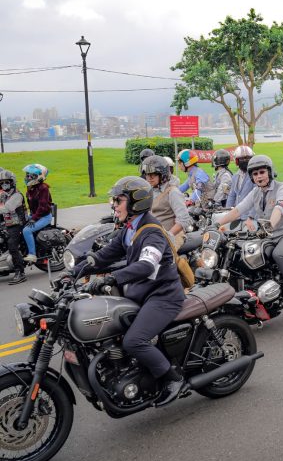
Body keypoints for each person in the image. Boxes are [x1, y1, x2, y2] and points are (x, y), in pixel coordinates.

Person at [74, 176, 186, 407]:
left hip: (162, 296)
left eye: (119, 200)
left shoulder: (152, 232)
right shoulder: (129, 228)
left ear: (137, 203)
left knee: (134, 341)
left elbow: (146, 266)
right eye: (114, 200)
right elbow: (104, 255)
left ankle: (173, 379)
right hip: (140, 293)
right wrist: (73, 272)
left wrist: (113, 277)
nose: (114, 205)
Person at [213, 155, 283, 310]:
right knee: (247, 252)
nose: (259, 176)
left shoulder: (282, 189)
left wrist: (269, 226)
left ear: (270, 172)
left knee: (279, 254)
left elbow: (279, 208)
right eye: (255, 174)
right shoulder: (255, 192)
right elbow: (238, 210)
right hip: (267, 235)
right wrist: (216, 224)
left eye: (262, 172)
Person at [141, 156, 193, 250]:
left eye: (153, 174)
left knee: (157, 256)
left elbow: (184, 219)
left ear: (162, 175)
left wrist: (168, 235)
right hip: (153, 235)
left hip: (172, 236)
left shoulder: (173, 192)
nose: (149, 177)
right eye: (147, 174)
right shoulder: (150, 191)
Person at [21, 164, 53, 263]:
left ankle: (32, 255)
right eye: (27, 175)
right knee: (19, 225)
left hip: (44, 216)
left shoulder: (43, 188)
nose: (28, 177)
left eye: (31, 176)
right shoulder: (31, 188)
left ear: (39, 177)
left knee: (27, 231)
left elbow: (43, 206)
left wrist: (34, 218)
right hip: (35, 215)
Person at [0, 170, 28, 284]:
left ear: (12, 182)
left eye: (6, 182)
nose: (4, 184)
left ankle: (20, 272)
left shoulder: (17, 195)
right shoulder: (4, 195)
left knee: (12, 245)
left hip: (18, 224)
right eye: (2, 183)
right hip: (8, 223)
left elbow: (7, 208)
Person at [226, 145, 256, 219]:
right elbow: (231, 196)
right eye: (242, 159)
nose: (245, 161)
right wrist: (227, 212)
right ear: (237, 161)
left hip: (251, 217)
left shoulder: (255, 175)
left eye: (248, 158)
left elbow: (257, 198)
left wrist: (251, 217)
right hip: (238, 216)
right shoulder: (235, 176)